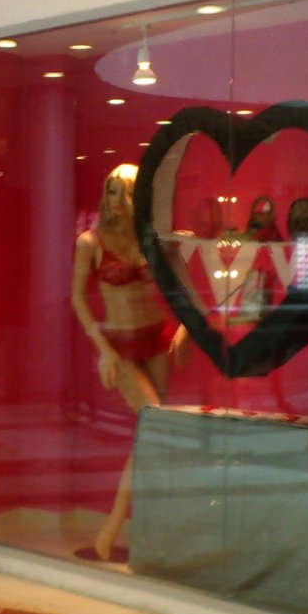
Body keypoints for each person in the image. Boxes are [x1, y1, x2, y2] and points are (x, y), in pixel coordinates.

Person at [71, 163, 187, 560]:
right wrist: (103, 349)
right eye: (112, 189)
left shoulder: (153, 239)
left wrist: (185, 329)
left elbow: (184, 289)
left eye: (126, 191)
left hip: (158, 340)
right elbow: (77, 298)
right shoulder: (90, 242)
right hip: (120, 346)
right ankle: (113, 528)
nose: (117, 199)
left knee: (153, 434)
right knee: (153, 424)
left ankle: (149, 529)